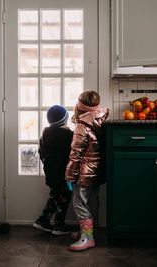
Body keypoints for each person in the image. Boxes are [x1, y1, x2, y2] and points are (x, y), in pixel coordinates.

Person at [65, 90, 109, 251]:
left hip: (85, 172)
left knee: (79, 202)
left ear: (79, 107)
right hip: (97, 171)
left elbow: (75, 154)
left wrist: (70, 176)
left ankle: (87, 237)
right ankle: (88, 231)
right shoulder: (101, 122)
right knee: (92, 201)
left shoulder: (82, 126)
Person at [33, 105, 74, 235]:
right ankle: (58, 225)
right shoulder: (69, 135)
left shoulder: (45, 133)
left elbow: (41, 153)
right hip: (64, 174)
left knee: (54, 195)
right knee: (65, 197)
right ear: (64, 120)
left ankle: (43, 220)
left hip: (50, 173)